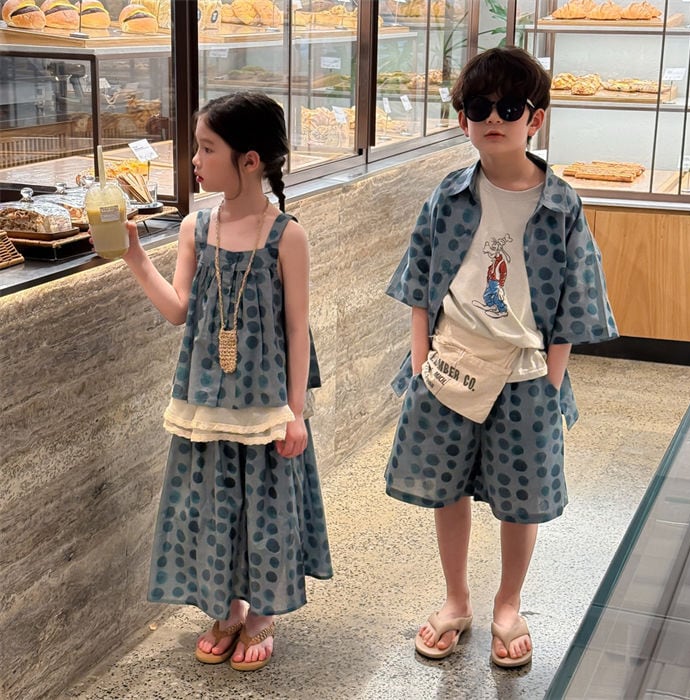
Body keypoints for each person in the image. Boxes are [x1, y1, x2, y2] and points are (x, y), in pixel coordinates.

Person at [384, 47, 618, 667]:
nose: (494, 117)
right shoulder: (448, 194)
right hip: (450, 364)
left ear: (534, 118)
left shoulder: (561, 204)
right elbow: (419, 280)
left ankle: (508, 604)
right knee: (447, 486)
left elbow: (575, 298)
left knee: (522, 493)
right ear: (462, 118)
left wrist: (553, 379)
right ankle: (455, 598)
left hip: (527, 372)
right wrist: (420, 360)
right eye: (479, 106)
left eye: (510, 107)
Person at [119, 92, 332, 672]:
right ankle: (229, 608)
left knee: (265, 510)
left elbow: (298, 330)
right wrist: (136, 257)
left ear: (250, 160)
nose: (195, 160)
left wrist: (296, 412)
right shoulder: (196, 227)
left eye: (207, 148)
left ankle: (261, 614)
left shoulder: (286, 235)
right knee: (215, 507)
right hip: (206, 403)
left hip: (264, 406)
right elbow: (179, 310)